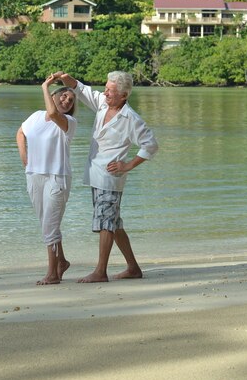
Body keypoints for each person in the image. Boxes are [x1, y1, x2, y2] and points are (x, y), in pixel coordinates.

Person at [55, 70, 158, 283]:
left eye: (111, 90)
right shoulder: (103, 104)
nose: (106, 92)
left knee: (105, 223)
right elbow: (83, 90)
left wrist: (128, 165)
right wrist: (67, 80)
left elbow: (151, 144)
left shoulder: (131, 118)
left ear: (124, 95)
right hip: (96, 173)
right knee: (113, 223)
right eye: (106, 88)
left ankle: (100, 271)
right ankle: (133, 268)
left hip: (112, 177)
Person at [16, 75, 76, 285]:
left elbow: (52, 112)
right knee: (47, 224)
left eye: (70, 100)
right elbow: (21, 132)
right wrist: (25, 157)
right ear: (54, 96)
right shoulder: (35, 116)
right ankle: (62, 262)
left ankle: (52, 274)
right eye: (63, 96)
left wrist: (44, 85)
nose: (67, 101)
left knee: (50, 226)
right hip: (34, 176)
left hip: (57, 178)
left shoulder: (68, 122)